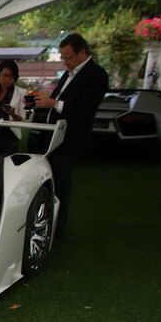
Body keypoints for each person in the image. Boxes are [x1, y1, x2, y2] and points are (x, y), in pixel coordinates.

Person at [29, 32, 109, 233]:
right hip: (51, 138)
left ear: (82, 53)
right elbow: (57, 102)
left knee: (62, 182)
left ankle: (58, 226)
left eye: (68, 57)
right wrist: (42, 102)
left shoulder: (96, 75)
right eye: (63, 57)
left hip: (70, 140)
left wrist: (54, 103)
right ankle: (46, 218)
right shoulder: (68, 74)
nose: (65, 62)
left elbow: (86, 108)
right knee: (48, 179)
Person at [0, 59, 26, 156]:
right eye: (4, 75)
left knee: (6, 165)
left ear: (15, 77)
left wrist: (12, 114)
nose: (7, 79)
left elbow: (22, 119)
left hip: (9, 138)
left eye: (10, 76)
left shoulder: (21, 93)